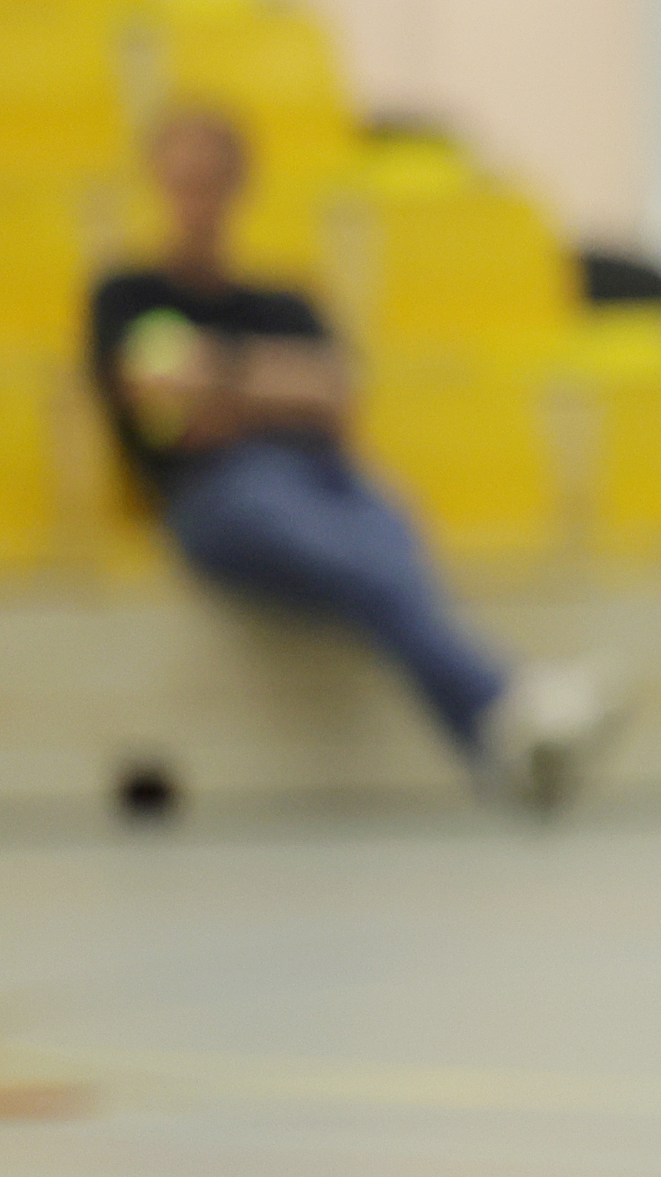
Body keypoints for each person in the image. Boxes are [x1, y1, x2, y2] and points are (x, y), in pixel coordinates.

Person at [88, 107, 627, 805]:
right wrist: (272, 382)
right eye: (182, 179)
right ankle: (510, 705)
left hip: (326, 475)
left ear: (237, 185)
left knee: (393, 547)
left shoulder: (283, 297)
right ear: (156, 183)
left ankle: (507, 732)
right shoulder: (126, 292)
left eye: (210, 179)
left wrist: (216, 375)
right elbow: (157, 393)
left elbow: (333, 394)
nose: (196, 195)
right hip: (216, 495)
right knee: (370, 570)